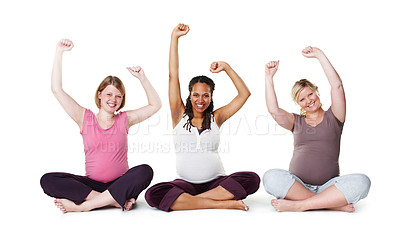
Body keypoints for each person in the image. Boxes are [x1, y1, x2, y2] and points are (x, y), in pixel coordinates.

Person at [145, 24, 260, 212]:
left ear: (211, 97)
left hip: (217, 184)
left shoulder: (217, 117)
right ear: (189, 95)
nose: (200, 100)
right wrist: (174, 38)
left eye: (205, 95)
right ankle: (222, 203)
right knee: (153, 194)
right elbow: (173, 76)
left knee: (252, 179)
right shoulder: (178, 114)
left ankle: (191, 201)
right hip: (185, 184)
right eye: (196, 95)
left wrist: (227, 68)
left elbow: (244, 94)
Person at [40, 39, 162, 213]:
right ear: (99, 95)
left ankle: (85, 206)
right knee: (47, 180)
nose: (113, 99)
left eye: (118, 96)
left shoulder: (124, 119)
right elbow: (57, 89)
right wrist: (59, 53)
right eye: (109, 94)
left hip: (121, 182)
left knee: (145, 171)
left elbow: (155, 105)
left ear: (122, 100)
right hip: (92, 185)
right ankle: (112, 201)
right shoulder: (84, 117)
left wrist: (142, 78)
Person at [263, 46, 371, 212]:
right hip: (297, 184)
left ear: (317, 92)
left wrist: (319, 55)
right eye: (302, 99)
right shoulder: (295, 121)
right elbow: (273, 110)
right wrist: (269, 77)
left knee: (363, 182)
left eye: (310, 94)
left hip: (330, 187)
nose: (308, 101)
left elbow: (337, 87)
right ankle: (331, 205)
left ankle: (301, 205)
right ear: (298, 104)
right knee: (270, 177)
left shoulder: (335, 116)